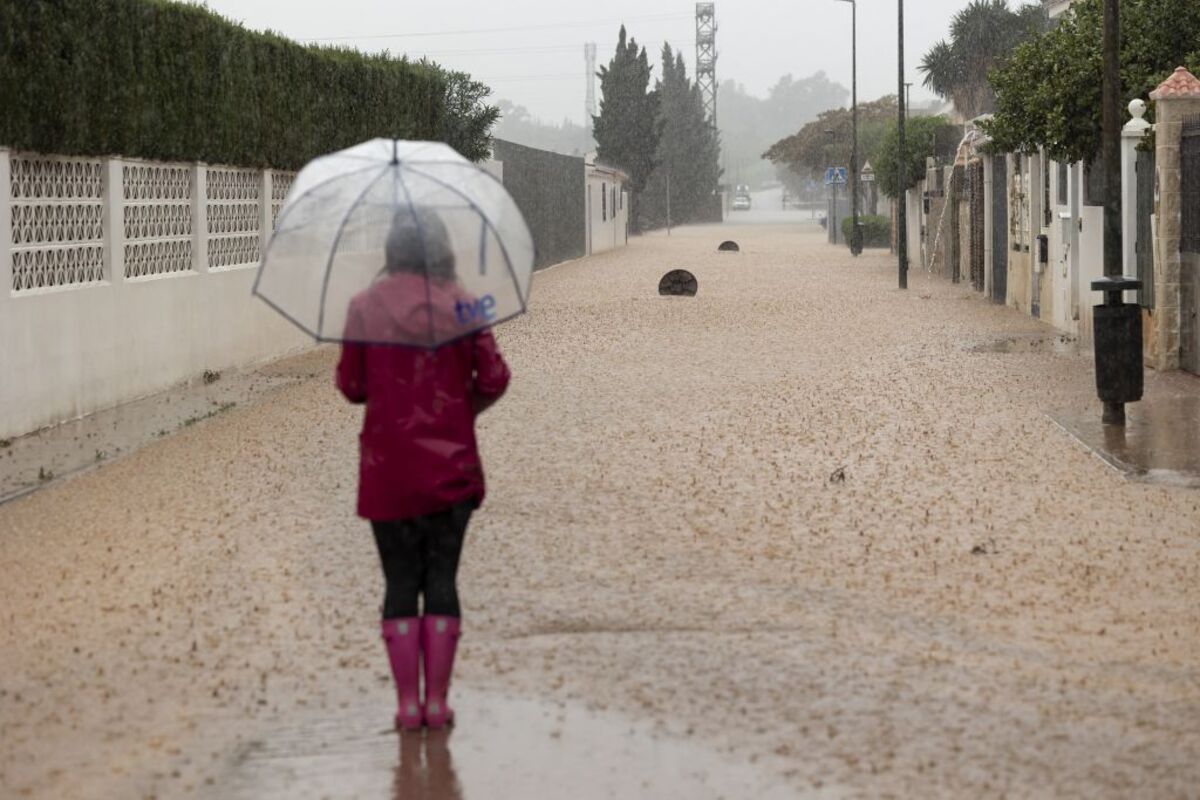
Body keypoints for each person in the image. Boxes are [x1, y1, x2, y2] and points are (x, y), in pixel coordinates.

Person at [336, 208, 510, 731]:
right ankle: (437, 702)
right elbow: (496, 377)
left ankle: (406, 708)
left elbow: (352, 387)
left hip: (388, 472)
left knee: (399, 582)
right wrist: (462, 407)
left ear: (392, 250)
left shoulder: (364, 307)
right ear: (442, 251)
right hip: (452, 471)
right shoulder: (464, 304)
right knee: (441, 579)